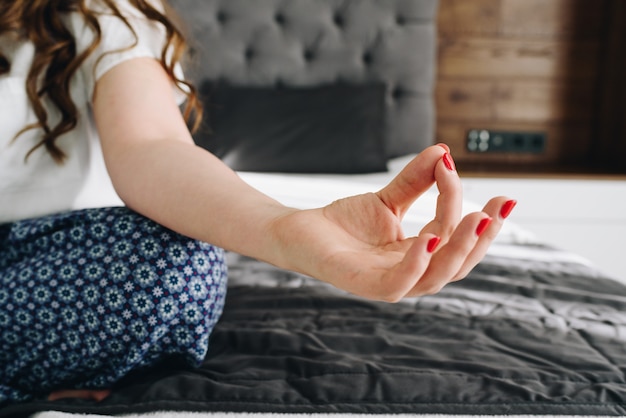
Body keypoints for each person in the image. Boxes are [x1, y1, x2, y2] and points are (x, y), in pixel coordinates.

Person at [0, 0, 516, 406]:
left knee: (173, 262)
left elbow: (151, 145)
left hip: (35, 258)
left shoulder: (97, 13)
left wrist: (284, 231)